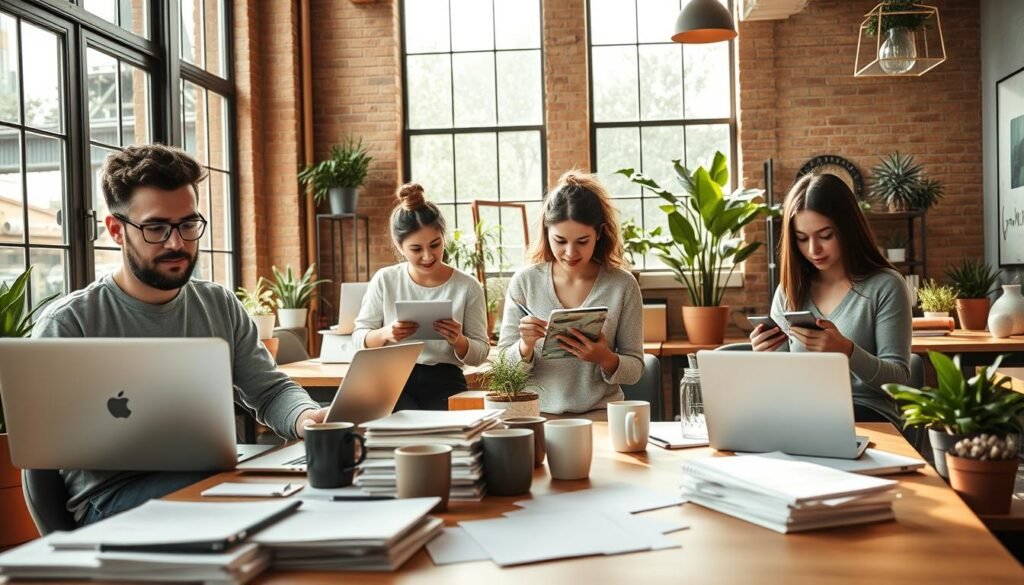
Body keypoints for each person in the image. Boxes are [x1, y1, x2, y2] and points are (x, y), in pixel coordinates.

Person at [31, 144, 328, 525]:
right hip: (112, 502)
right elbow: (39, 460)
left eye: (188, 224)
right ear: (117, 231)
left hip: (216, 480)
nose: (177, 243)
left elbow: (270, 391)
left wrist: (306, 418)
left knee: (316, 499)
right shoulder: (69, 324)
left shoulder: (218, 303)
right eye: (156, 228)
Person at [750, 173, 912, 423]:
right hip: (804, 414)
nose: (813, 250)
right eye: (802, 239)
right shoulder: (790, 290)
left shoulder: (886, 286)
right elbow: (783, 382)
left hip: (869, 415)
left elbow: (899, 379)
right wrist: (766, 353)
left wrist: (846, 351)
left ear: (848, 229)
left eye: (825, 236)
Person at [496, 171, 644, 417]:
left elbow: (636, 368)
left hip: (602, 415)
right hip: (536, 415)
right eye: (560, 241)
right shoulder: (525, 282)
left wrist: (605, 358)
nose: (570, 252)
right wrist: (525, 346)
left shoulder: (622, 285)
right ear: (546, 232)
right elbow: (501, 368)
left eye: (582, 241)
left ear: (599, 233)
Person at [351, 183, 490, 410]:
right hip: (391, 380)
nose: (428, 256)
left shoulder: (467, 286)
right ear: (400, 246)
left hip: (446, 381)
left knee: (449, 439)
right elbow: (359, 339)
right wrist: (387, 333)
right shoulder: (385, 280)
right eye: (416, 249)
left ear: (444, 238)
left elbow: (480, 354)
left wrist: (459, 341)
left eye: (435, 245)